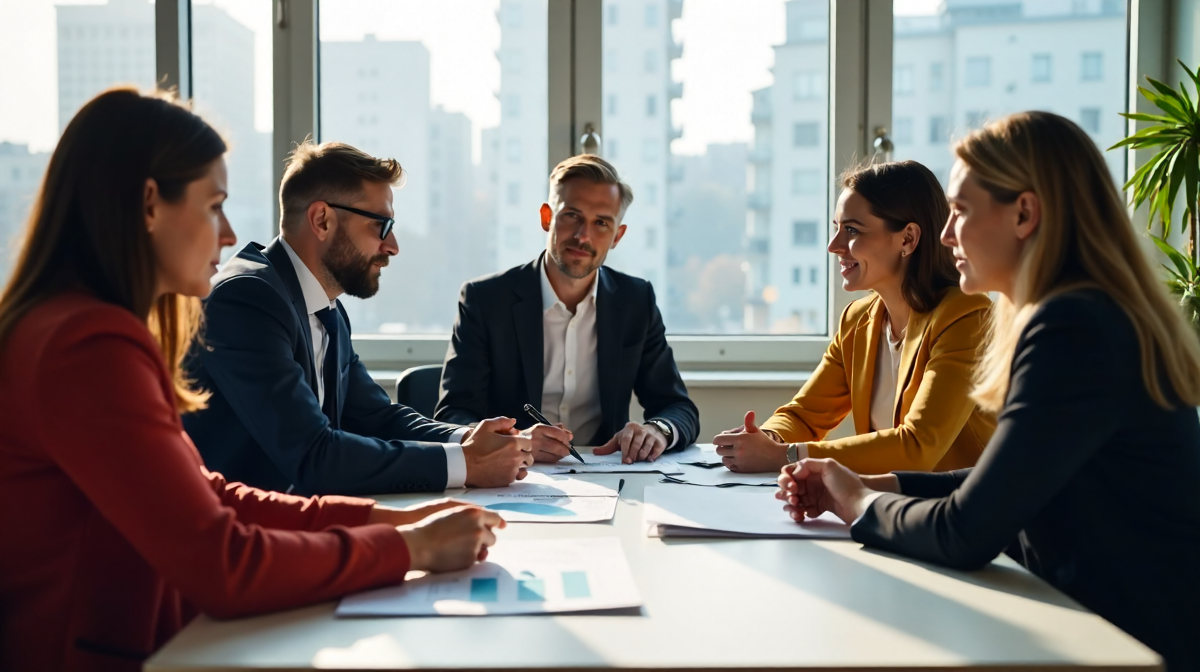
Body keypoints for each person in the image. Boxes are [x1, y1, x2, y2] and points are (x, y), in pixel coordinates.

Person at [0, 89, 504, 672]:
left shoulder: (77, 328)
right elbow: (222, 562)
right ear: (148, 205)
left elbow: (212, 494)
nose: (228, 232)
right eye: (214, 205)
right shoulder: (86, 348)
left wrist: (393, 520)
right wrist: (408, 547)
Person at [778, 112, 1200, 670]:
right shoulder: (1080, 315)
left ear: (1024, 213)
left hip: (1130, 642)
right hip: (1088, 620)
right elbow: (1005, 479)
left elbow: (965, 531)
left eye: (960, 212)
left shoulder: (1073, 329)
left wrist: (857, 502)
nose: (946, 235)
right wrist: (872, 483)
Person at [182, 140, 533, 495]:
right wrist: (467, 463)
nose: (393, 244)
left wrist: (473, 439)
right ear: (322, 220)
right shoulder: (247, 299)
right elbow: (313, 455)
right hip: (238, 534)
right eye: (381, 226)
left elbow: (377, 417)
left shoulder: (325, 306)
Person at [714, 161, 995, 474]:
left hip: (965, 512)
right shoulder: (857, 320)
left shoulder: (967, 317)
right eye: (836, 228)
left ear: (908, 239)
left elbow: (919, 447)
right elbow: (805, 415)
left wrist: (786, 455)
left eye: (851, 230)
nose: (833, 246)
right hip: (891, 501)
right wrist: (766, 438)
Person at [435, 154, 699, 464]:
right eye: (572, 215)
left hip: (607, 473)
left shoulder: (635, 301)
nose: (583, 236)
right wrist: (516, 440)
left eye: (601, 222)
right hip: (513, 475)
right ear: (547, 217)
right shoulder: (484, 300)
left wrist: (658, 430)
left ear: (617, 236)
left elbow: (678, 408)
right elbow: (452, 415)